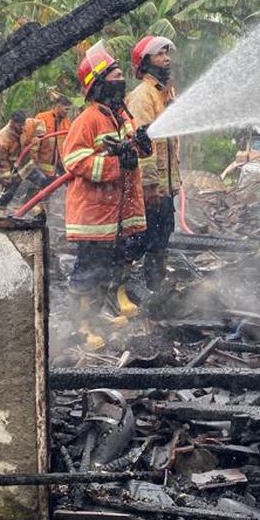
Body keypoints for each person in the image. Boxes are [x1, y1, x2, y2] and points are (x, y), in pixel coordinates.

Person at [62, 41, 151, 350]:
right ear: (98, 84)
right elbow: (73, 160)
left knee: (112, 265)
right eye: (113, 74)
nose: (120, 78)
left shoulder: (121, 115)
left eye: (118, 73)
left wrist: (141, 144)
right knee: (88, 271)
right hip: (93, 216)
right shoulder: (87, 119)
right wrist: (114, 164)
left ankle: (98, 317)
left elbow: (133, 149)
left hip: (118, 214)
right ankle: (82, 326)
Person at [126, 35, 182, 289]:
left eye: (167, 53)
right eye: (160, 54)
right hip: (150, 188)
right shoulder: (142, 96)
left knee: (161, 237)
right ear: (146, 62)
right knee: (141, 240)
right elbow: (142, 143)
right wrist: (148, 184)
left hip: (165, 187)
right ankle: (115, 287)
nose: (166, 58)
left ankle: (155, 289)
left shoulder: (164, 94)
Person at [0, 111, 27, 211]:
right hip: (7, 169)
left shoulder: (18, 132)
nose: (22, 127)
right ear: (12, 123)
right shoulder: (3, 138)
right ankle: (0, 211)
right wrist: (5, 176)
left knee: (40, 180)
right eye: (20, 125)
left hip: (18, 166)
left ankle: (5, 208)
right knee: (8, 191)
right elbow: (0, 160)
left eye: (23, 124)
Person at [33, 93, 73, 179]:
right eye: (66, 109)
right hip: (42, 168)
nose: (67, 112)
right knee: (40, 189)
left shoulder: (67, 124)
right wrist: (34, 165)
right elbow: (34, 145)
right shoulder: (42, 118)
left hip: (59, 167)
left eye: (69, 110)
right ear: (58, 106)